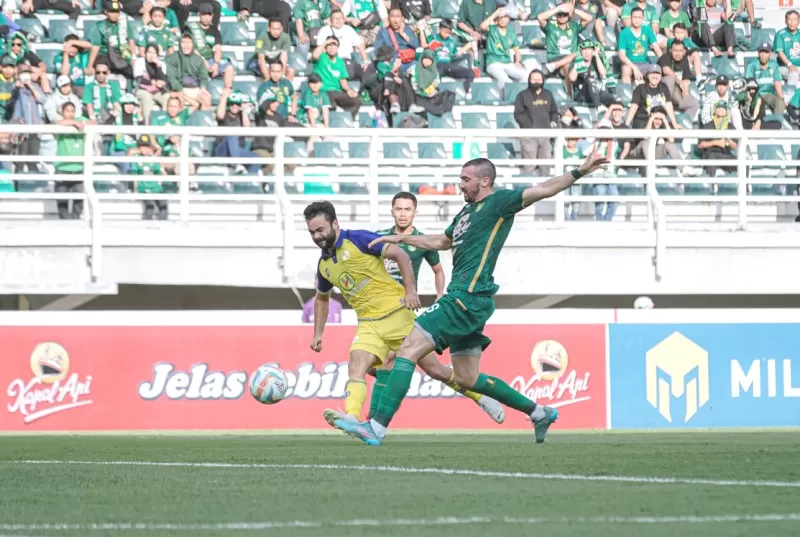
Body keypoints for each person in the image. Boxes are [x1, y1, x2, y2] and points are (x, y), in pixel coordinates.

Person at [334, 151, 610, 446]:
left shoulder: (499, 202)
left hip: (464, 297)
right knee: (467, 378)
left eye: (466, 179)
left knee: (407, 350)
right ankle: (539, 412)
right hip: (472, 302)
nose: (461, 184)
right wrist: (402, 238)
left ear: (485, 181)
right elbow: (442, 241)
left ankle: (376, 427)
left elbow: (543, 189)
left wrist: (580, 171)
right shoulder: (465, 213)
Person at [305, 201, 504, 430]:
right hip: (368, 324)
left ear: (334, 223)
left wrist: (410, 291)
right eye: (312, 232)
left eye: (320, 230)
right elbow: (322, 298)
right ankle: (351, 417)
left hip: (396, 314)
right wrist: (318, 333)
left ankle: (481, 397)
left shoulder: (358, 239)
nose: (317, 236)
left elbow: (400, 254)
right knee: (356, 364)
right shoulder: (324, 265)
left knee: (435, 370)